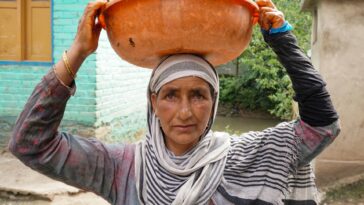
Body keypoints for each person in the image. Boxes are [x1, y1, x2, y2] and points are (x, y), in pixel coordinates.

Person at [9, 0, 340, 204]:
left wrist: (283, 40)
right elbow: (29, 144)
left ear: (214, 100)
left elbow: (322, 124)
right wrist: (78, 52)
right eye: (170, 95)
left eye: (198, 95)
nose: (185, 112)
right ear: (153, 101)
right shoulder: (120, 167)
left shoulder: (247, 156)